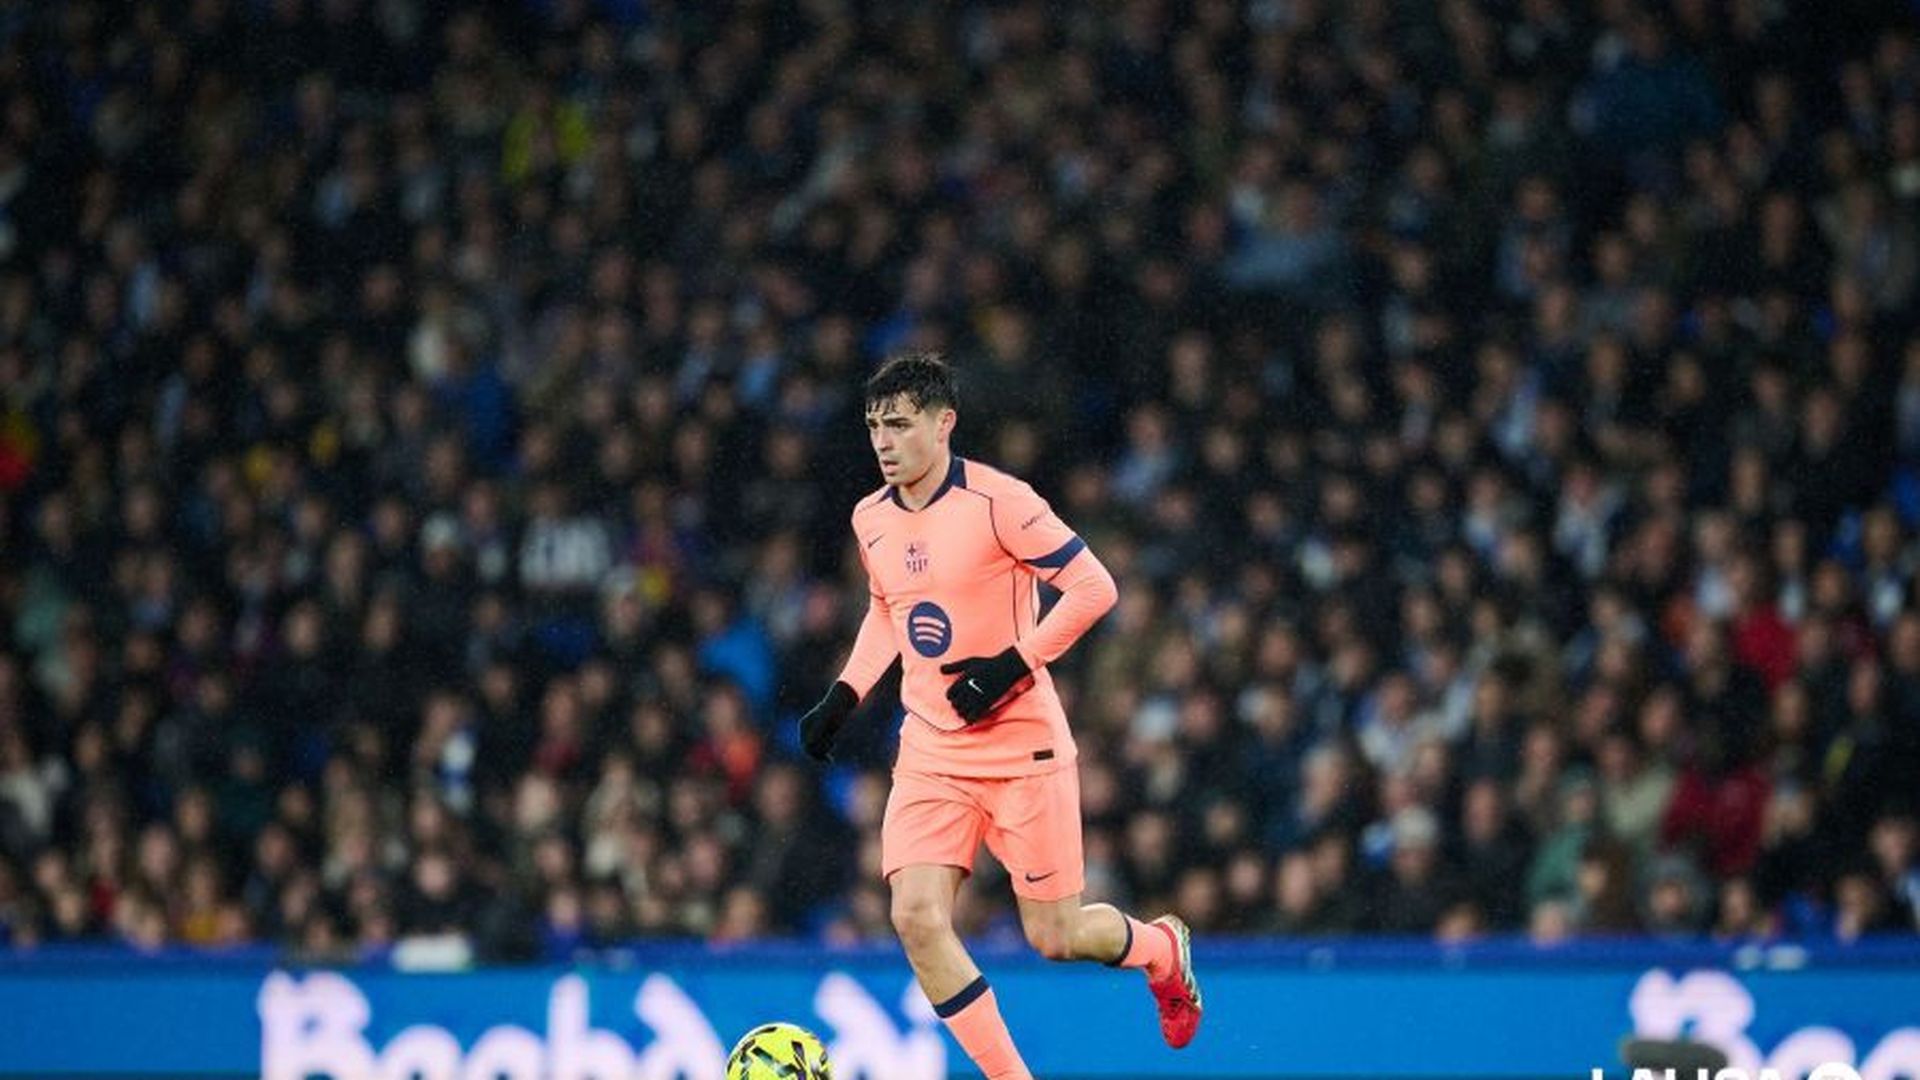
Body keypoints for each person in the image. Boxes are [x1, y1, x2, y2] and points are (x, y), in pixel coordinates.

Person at [797, 353, 1202, 1078]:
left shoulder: (998, 501)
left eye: (899, 424)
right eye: (872, 428)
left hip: (1021, 746)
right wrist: (847, 692)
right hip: (930, 748)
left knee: (1056, 934)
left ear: (942, 423)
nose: (883, 442)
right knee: (915, 916)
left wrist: (1012, 665)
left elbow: (1092, 587)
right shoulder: (871, 517)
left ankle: (1161, 950)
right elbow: (889, 609)